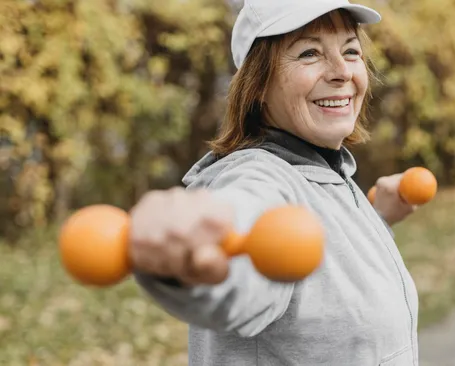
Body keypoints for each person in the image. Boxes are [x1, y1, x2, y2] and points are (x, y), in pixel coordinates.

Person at [131, 0, 422, 364]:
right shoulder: (257, 178)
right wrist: (195, 264)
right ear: (258, 86)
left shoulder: (327, 170)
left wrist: (376, 219)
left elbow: (324, 278)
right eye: (309, 53)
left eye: (351, 50)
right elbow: (245, 253)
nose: (341, 72)